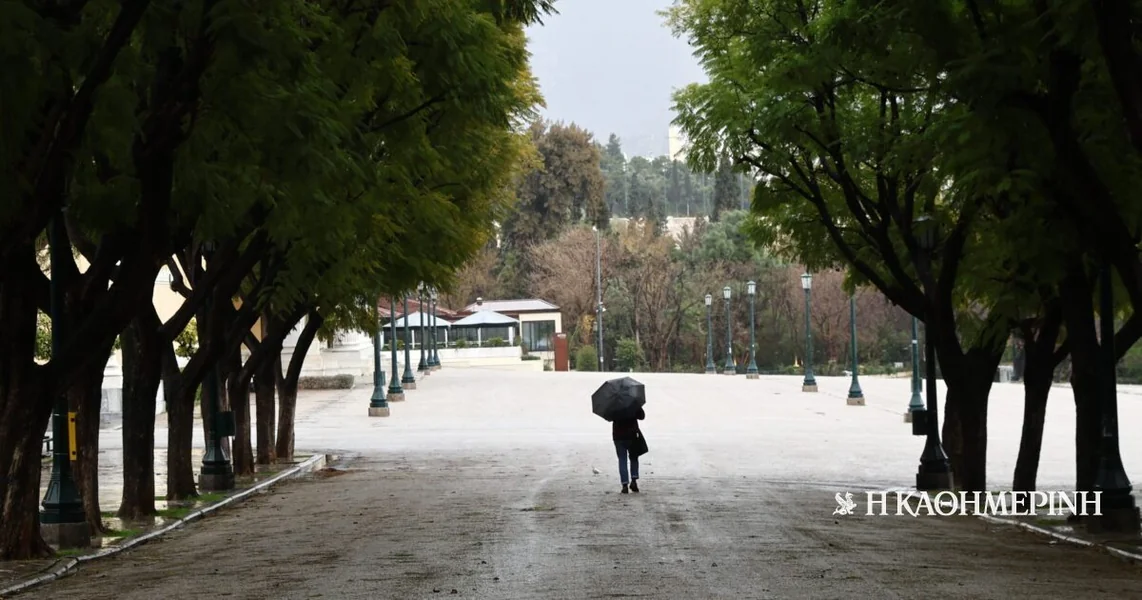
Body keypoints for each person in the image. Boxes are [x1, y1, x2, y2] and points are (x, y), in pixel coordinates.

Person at [612, 406, 645, 494]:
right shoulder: (633, 402)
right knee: (634, 457)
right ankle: (634, 481)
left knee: (622, 459)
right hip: (632, 435)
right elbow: (642, 416)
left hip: (618, 436)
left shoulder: (613, 404)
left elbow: (609, 417)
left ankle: (624, 485)